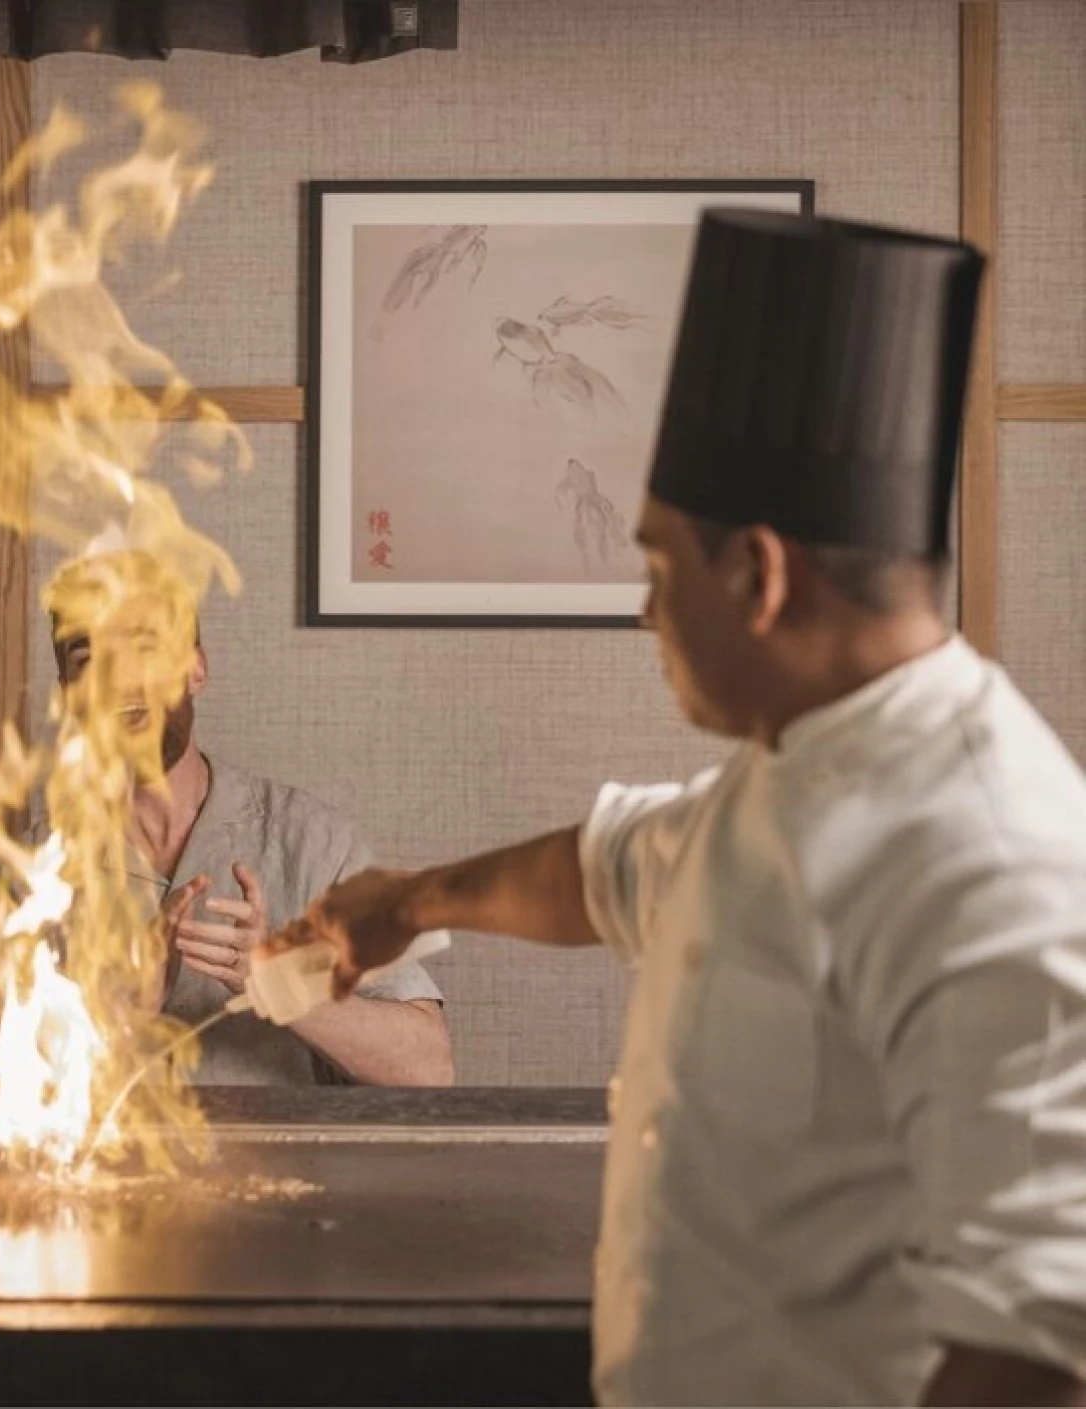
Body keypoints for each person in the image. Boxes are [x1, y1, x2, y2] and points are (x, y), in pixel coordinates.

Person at [284, 211, 1086, 1405]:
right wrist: (402, 902)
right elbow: (606, 866)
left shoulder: (998, 859)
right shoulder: (787, 771)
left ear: (760, 576)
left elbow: (1028, 1354)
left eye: (657, 569)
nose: (645, 613)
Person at [0, 550, 453, 1086]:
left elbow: (428, 1069)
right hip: (101, 1169)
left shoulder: (310, 843)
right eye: (86, 658)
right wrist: (116, 1018)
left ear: (197, 668)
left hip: (290, 1166)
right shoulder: (24, 878)